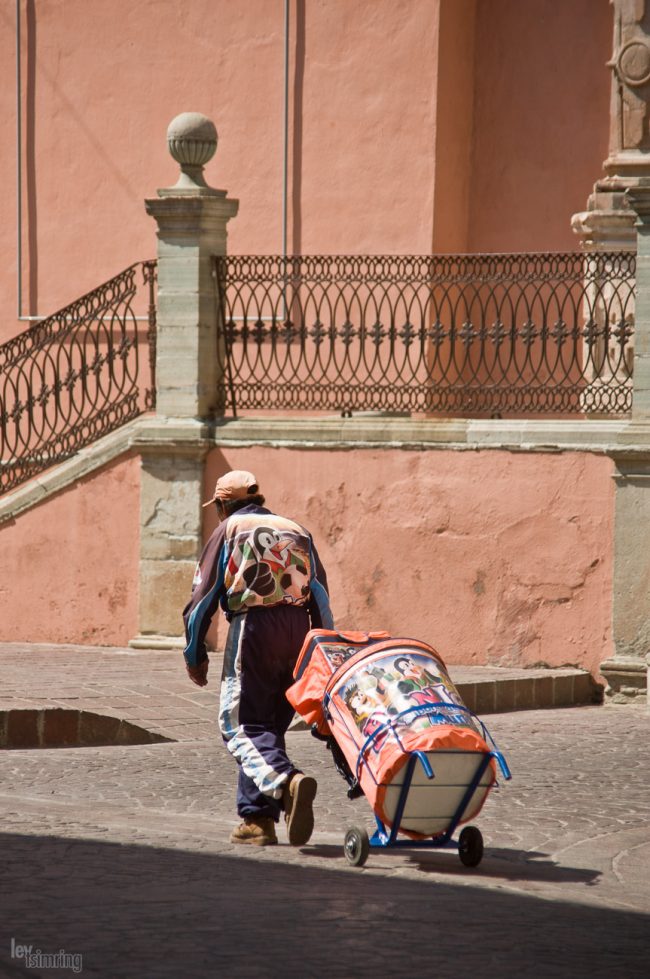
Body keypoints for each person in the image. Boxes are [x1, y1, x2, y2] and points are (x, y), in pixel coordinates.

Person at [182, 469, 334, 847]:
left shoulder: (229, 530)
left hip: (253, 629)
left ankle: (286, 781)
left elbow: (202, 600)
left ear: (222, 505)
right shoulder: (296, 528)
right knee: (267, 727)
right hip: (299, 630)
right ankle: (257, 820)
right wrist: (322, 649)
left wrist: (194, 653)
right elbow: (320, 594)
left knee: (241, 725)